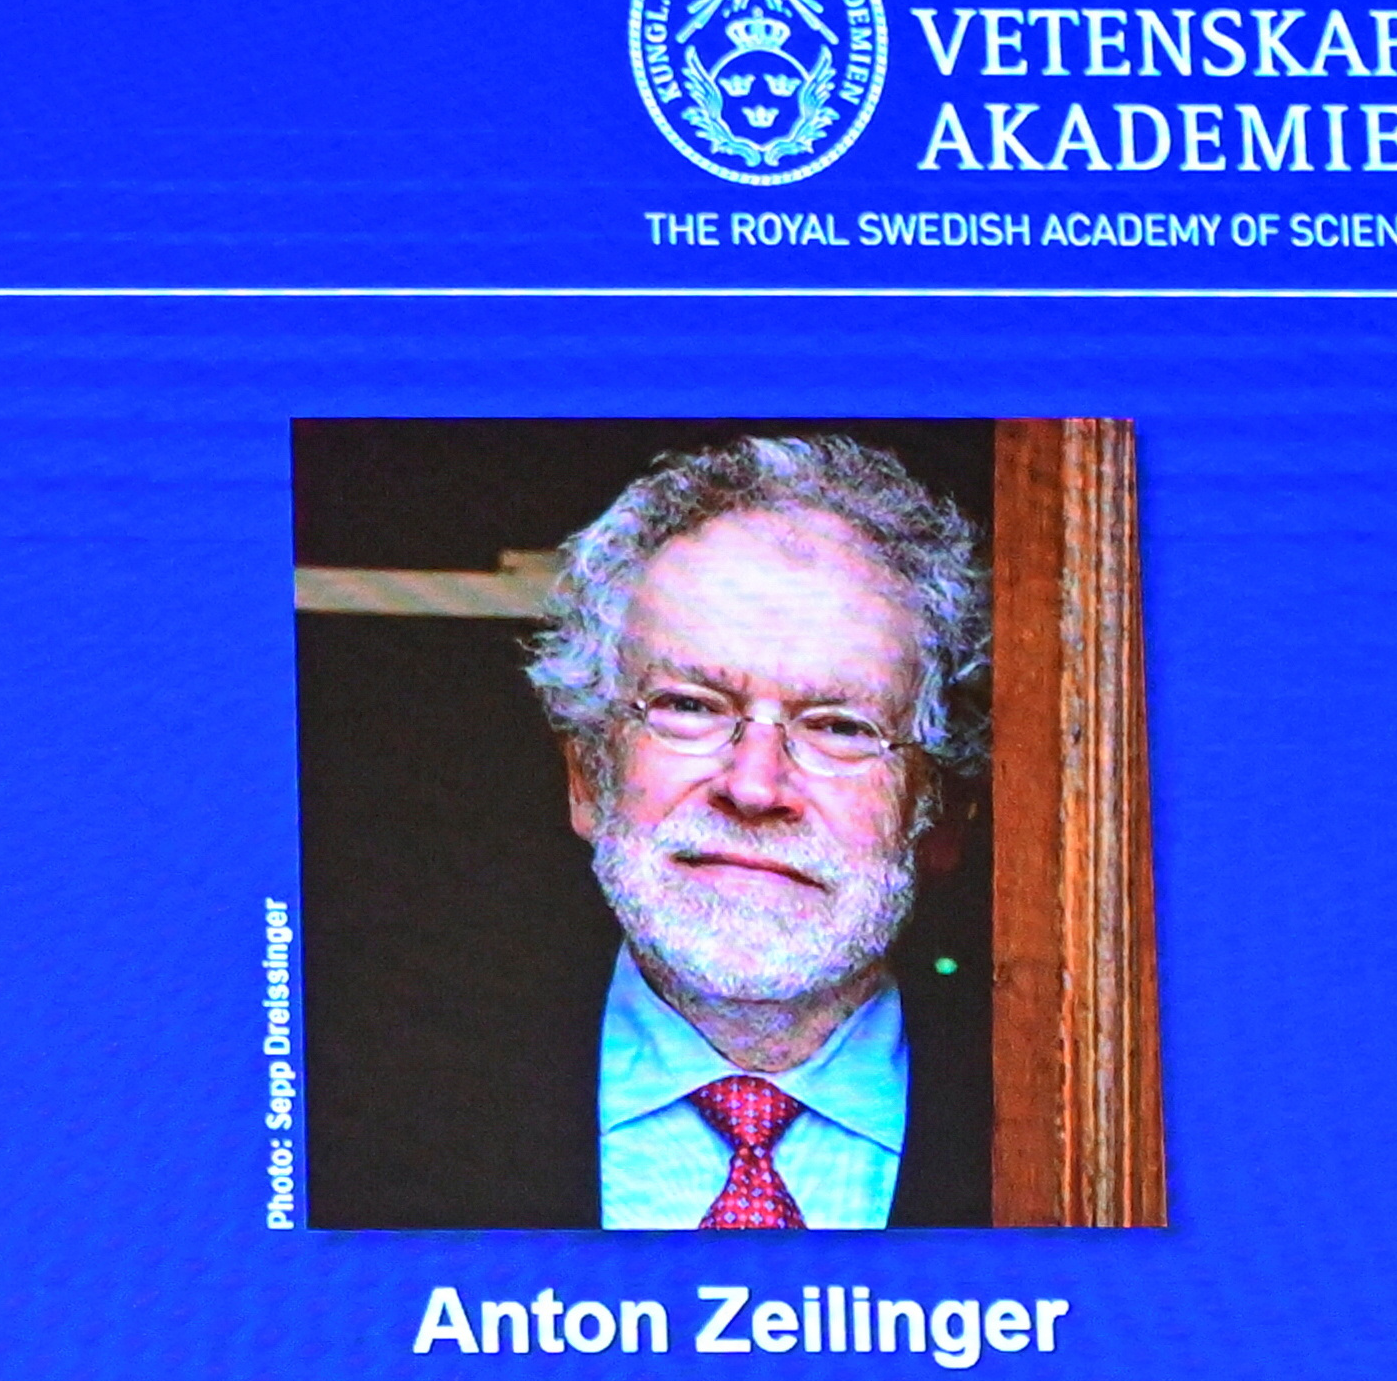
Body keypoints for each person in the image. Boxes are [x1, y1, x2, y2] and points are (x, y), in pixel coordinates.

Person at [333, 432, 997, 1232]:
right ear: (587, 777)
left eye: (839, 727)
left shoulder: (1057, 1127)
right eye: (689, 706)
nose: (754, 787)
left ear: (941, 812)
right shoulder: (358, 1107)